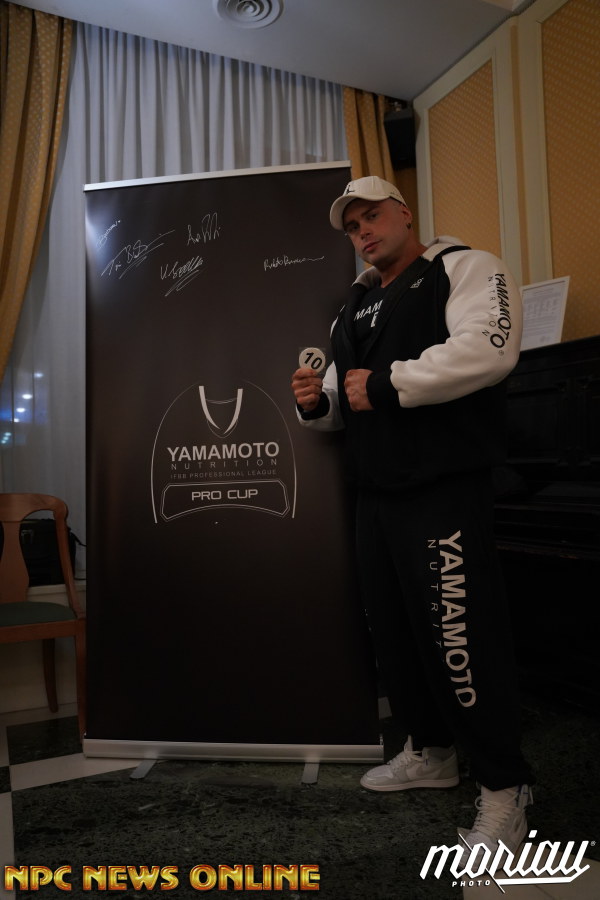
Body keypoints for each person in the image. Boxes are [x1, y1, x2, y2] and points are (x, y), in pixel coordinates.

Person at [291, 175, 534, 859]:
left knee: (463, 637)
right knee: (393, 635)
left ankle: (506, 783)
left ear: (403, 213)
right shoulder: (353, 303)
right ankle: (431, 751)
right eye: (353, 227)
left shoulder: (465, 267)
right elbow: (343, 400)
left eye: (372, 217)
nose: (363, 232)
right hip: (374, 494)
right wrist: (316, 402)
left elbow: (490, 349)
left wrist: (389, 382)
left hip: (442, 490)